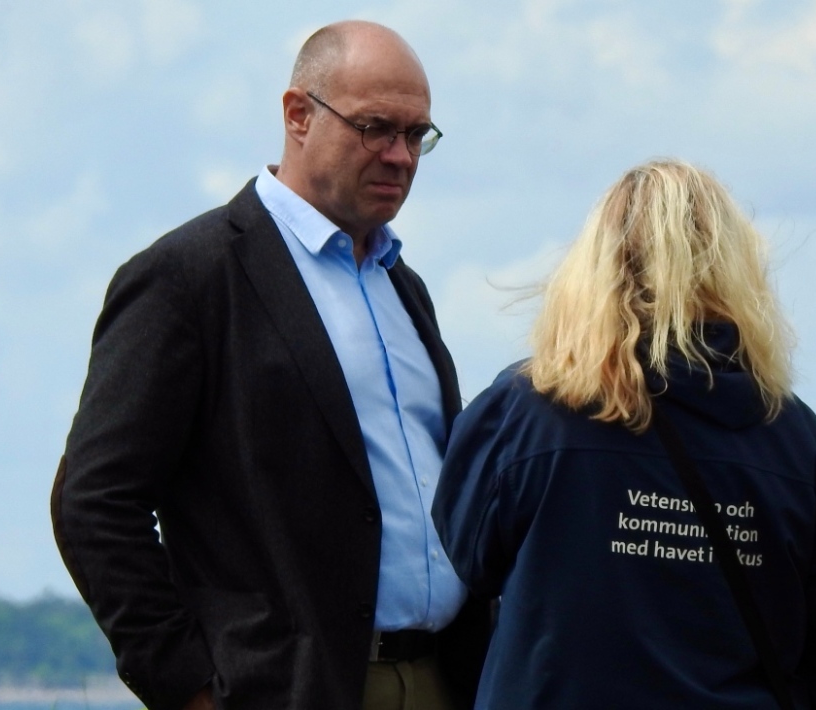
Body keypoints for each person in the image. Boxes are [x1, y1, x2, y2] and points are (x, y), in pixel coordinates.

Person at [51, 21, 488, 710]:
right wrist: (190, 687)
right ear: (298, 114)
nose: (400, 156)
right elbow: (93, 502)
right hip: (283, 690)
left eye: (416, 135)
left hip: (444, 677)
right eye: (376, 128)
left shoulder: (405, 287)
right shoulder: (188, 278)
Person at [433, 160, 816, 709]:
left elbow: (467, 555)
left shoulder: (524, 412)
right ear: (734, 266)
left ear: (593, 263)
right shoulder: (798, 440)